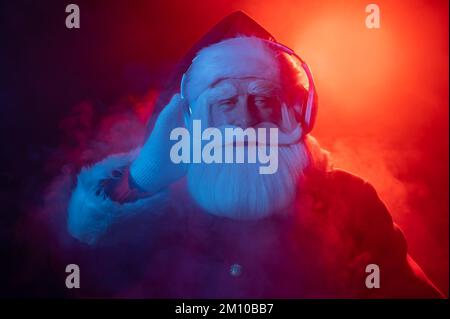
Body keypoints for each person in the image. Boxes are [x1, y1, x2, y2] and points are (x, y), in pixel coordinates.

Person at [65, 11, 443, 298]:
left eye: (262, 99)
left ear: (293, 112)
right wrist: (138, 181)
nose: (246, 122)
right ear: (191, 117)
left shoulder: (349, 202)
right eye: (226, 101)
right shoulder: (162, 208)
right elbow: (77, 268)